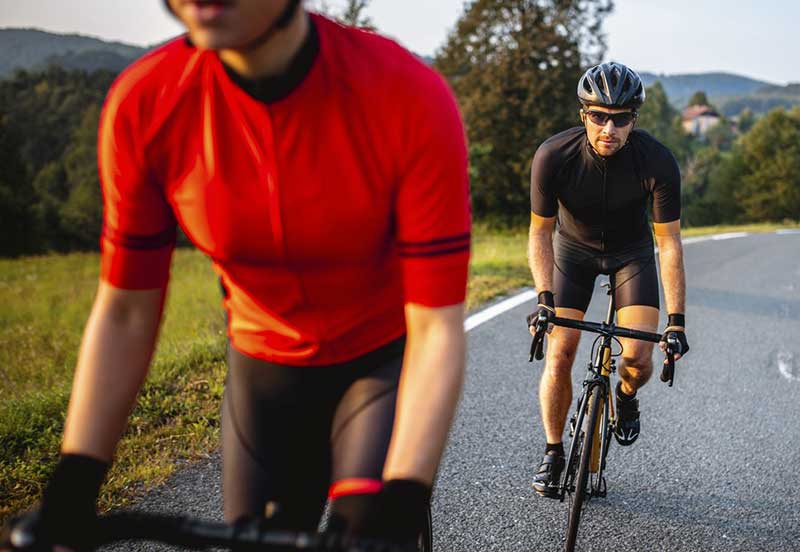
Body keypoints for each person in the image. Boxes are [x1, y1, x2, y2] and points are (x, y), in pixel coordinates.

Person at [9, 1, 472, 549]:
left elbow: (438, 327)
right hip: (264, 372)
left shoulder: (403, 94)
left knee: (370, 528)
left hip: (377, 361)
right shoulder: (147, 102)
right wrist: (74, 483)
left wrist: (404, 500)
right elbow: (126, 309)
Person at [526, 62, 689, 498]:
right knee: (559, 352)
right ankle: (554, 451)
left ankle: (626, 396)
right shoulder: (554, 156)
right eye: (599, 116)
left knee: (637, 355)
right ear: (584, 115)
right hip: (571, 255)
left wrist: (676, 321)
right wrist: (544, 298)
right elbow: (539, 233)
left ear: (634, 119)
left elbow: (669, 244)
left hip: (630, 256)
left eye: (620, 118)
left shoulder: (656, 161)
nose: (609, 128)